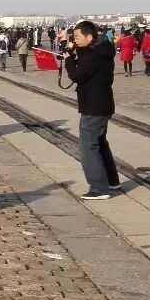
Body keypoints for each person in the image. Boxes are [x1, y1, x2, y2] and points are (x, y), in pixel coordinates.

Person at [62, 21, 121, 200]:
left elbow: (78, 75)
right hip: (101, 104)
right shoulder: (100, 51)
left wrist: (68, 61)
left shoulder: (94, 55)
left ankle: (98, 187)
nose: (75, 40)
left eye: (78, 37)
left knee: (88, 146)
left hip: (94, 106)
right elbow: (86, 65)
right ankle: (112, 182)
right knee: (100, 143)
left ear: (89, 37)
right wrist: (74, 56)